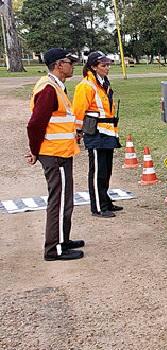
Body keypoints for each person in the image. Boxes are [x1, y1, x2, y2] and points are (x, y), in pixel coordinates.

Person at [26, 48, 84, 261]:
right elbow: (34, 124)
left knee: (65, 199)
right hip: (54, 153)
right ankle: (55, 248)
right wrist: (35, 150)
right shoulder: (49, 89)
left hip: (60, 152)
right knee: (59, 201)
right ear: (59, 65)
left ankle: (63, 239)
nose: (73, 65)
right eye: (70, 62)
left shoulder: (56, 87)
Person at [72, 51, 122, 218]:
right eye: (103, 65)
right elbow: (78, 111)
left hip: (108, 132)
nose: (107, 68)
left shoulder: (103, 82)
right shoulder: (85, 86)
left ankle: (105, 200)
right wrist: (78, 132)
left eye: (108, 64)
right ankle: (98, 207)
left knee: (106, 170)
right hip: (96, 133)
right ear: (93, 66)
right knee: (98, 171)